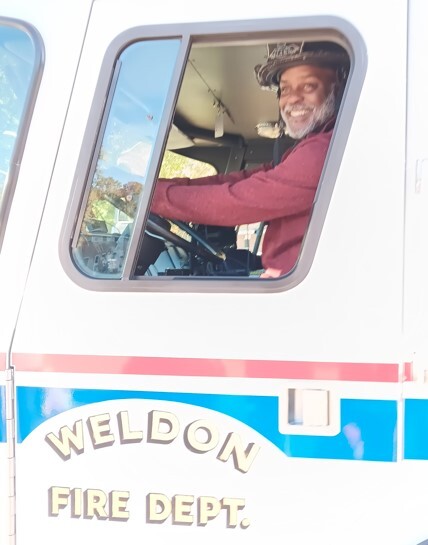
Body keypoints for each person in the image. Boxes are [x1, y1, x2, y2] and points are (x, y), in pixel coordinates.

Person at [150, 41, 349, 278]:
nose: (292, 99)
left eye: (308, 86)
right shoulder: (310, 148)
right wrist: (156, 189)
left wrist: (153, 197)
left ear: (338, 86)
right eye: (285, 89)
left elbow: (238, 201)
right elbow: (245, 179)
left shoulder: (324, 151)